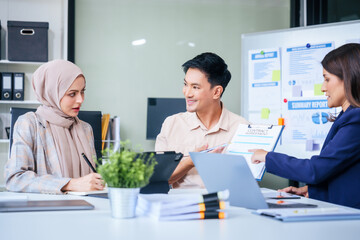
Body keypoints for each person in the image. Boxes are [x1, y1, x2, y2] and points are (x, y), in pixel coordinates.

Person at [250, 43, 360, 209]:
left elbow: (316, 170)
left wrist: (267, 157)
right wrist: (312, 192)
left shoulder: (356, 120)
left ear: (348, 78)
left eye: (327, 79)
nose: (323, 88)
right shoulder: (347, 116)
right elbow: (346, 173)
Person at [5, 60, 104, 194]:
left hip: (87, 206)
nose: (80, 99)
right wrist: (70, 184)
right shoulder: (29, 123)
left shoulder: (86, 129)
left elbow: (92, 178)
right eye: (72, 94)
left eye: (82, 92)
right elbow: (15, 179)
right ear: (51, 93)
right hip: (46, 210)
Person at [156, 52, 249, 189]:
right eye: (185, 84)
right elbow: (158, 178)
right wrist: (191, 161)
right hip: (179, 206)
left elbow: (244, 184)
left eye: (195, 87)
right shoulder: (171, 124)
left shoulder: (242, 128)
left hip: (223, 206)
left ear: (216, 92)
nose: (187, 93)